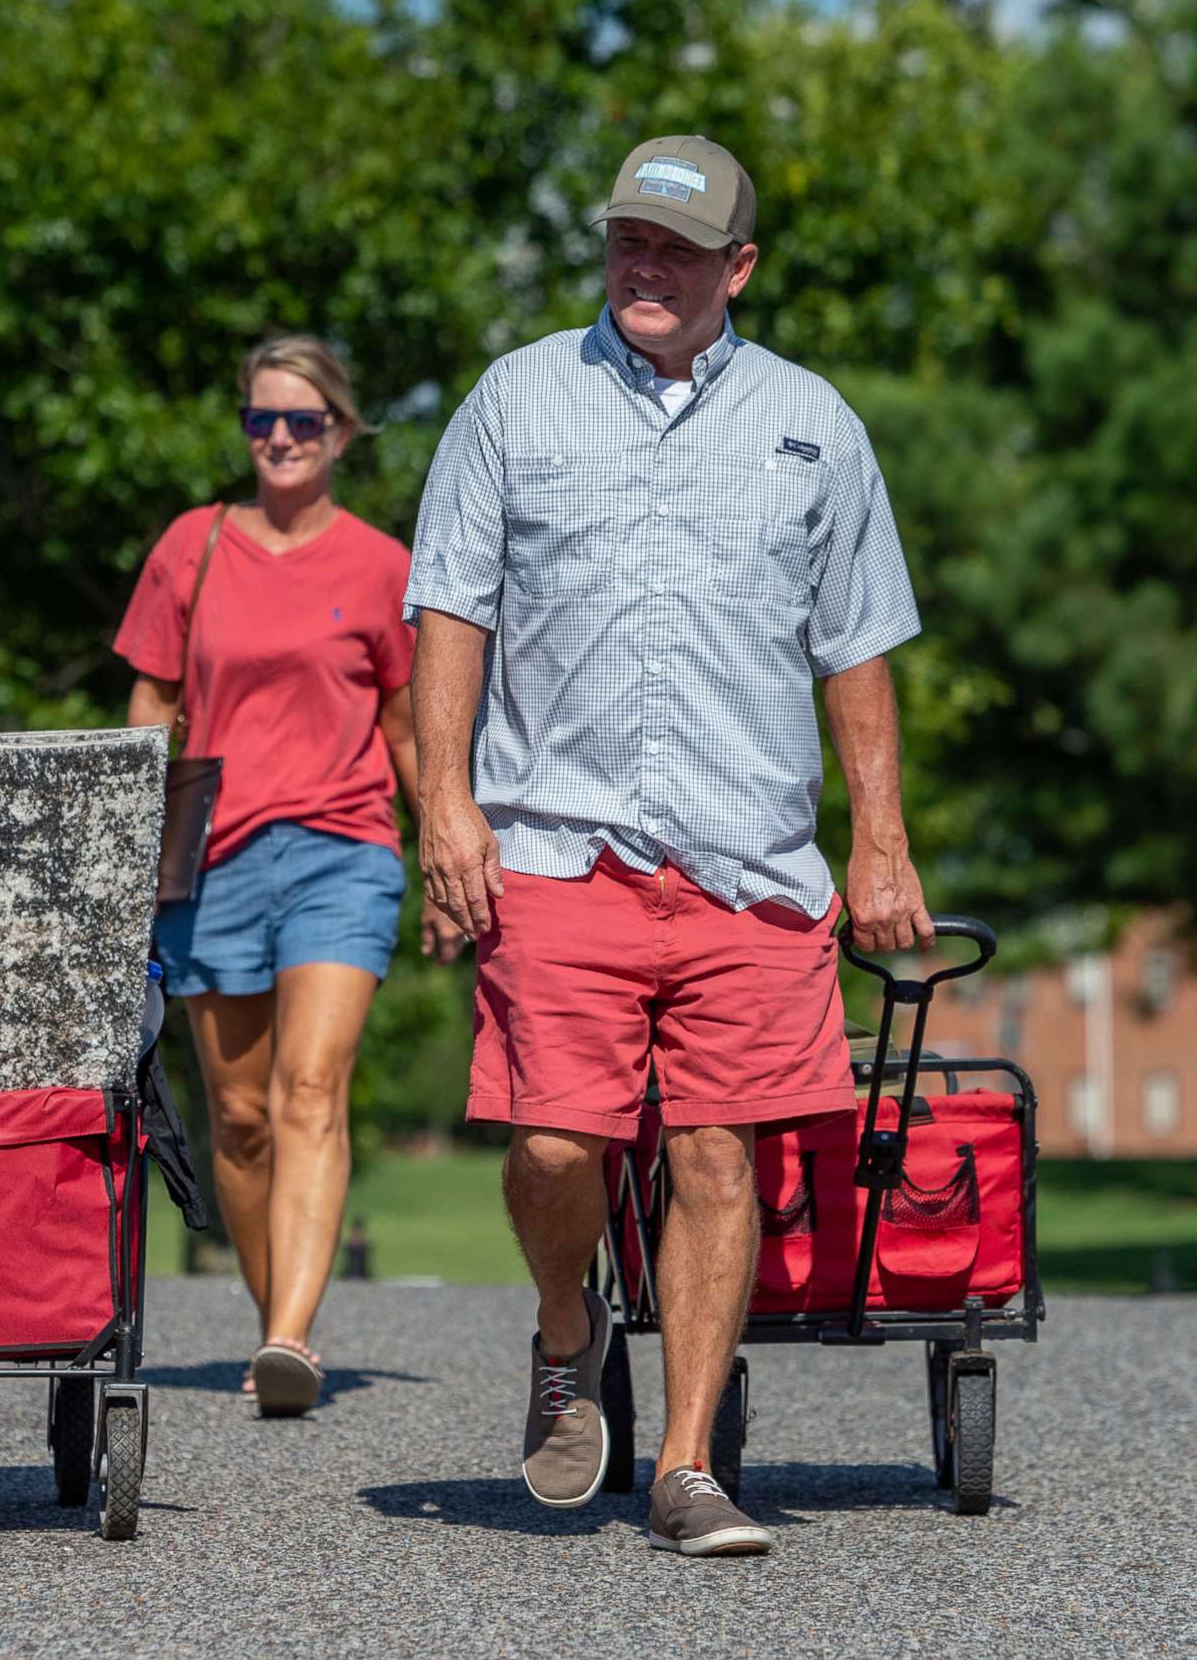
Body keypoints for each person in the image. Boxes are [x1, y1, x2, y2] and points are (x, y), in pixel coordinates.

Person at [405, 136, 933, 1556]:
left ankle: (689, 1462)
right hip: (559, 847)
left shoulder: (815, 423)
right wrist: (443, 805)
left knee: (718, 1155)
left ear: (737, 269)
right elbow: (448, 610)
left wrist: (878, 838)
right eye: (628, 242)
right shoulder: (516, 401)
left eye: (679, 251)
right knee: (555, 1143)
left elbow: (859, 648)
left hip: (750, 861)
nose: (646, 269)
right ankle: (568, 1330)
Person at [115, 335, 459, 1417]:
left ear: (341, 433)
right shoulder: (193, 546)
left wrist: (449, 849)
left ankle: (291, 1332)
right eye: (260, 420)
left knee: (311, 1085)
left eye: (301, 422)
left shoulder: (381, 567)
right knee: (241, 1115)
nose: (277, 440)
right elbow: (150, 712)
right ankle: (280, 1333)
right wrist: (128, 862)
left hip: (343, 851)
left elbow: (408, 728)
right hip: (211, 858)